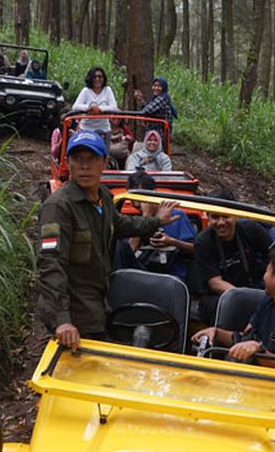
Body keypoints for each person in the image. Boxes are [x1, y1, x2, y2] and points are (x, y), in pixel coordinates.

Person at [36, 130, 179, 350]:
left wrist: (155, 221)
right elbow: (51, 264)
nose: (85, 166)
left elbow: (121, 224)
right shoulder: (58, 207)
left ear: (104, 162)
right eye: (78, 159)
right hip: (74, 310)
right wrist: (62, 320)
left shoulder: (103, 197)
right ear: (68, 163)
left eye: (92, 159)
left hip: (99, 301)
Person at [191, 247, 275, 370]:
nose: (264, 276)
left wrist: (258, 349)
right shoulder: (268, 301)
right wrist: (216, 333)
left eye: (267, 271)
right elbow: (245, 339)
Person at [193, 188, 275, 325]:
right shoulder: (203, 242)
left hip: (251, 285)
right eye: (215, 217)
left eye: (226, 216)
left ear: (236, 215)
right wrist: (246, 299)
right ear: (208, 217)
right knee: (224, 308)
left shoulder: (251, 229)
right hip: (217, 296)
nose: (220, 222)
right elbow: (215, 284)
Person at [112, 171, 196, 281]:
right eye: (132, 199)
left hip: (171, 277)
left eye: (141, 198)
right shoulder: (130, 219)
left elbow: (195, 249)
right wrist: (146, 218)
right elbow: (128, 252)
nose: (137, 204)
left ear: (153, 194)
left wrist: (171, 241)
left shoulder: (177, 216)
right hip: (139, 276)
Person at [72, 67, 117, 144]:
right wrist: (89, 107)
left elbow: (114, 107)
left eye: (100, 77)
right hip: (86, 128)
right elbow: (75, 106)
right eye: (95, 77)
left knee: (103, 154)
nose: (97, 79)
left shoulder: (107, 90)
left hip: (104, 129)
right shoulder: (86, 91)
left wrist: (99, 109)